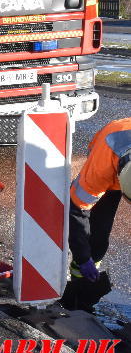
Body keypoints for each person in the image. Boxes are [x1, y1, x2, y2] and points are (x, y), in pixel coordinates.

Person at [62, 118, 131, 311]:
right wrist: (84, 258)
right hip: (107, 150)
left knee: (99, 238)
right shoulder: (99, 174)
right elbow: (77, 210)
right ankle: (79, 287)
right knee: (97, 233)